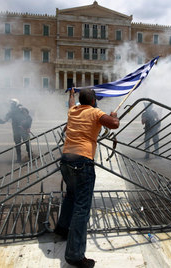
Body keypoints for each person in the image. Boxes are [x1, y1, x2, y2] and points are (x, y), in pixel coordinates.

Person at [54, 88, 119, 268]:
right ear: (93, 101)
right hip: (82, 161)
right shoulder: (95, 112)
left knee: (71, 195)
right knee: (81, 208)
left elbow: (70, 104)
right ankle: (75, 255)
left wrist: (71, 96)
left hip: (66, 160)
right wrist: (114, 115)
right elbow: (114, 124)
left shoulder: (73, 111)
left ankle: (61, 228)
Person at [0, 99, 33, 163]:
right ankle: (19, 159)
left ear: (16, 104)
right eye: (11, 104)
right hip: (16, 131)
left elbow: (29, 118)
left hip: (24, 130)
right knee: (17, 145)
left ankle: (31, 157)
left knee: (27, 144)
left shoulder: (22, 109)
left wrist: (28, 126)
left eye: (12, 104)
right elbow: (4, 120)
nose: (11, 105)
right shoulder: (11, 112)